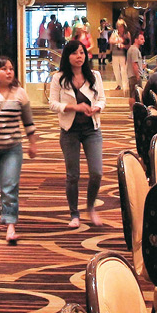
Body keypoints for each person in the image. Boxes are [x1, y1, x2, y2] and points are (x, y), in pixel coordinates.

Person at [49, 40, 106, 228]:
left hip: (92, 129)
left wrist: (96, 107)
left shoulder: (94, 75)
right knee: (73, 175)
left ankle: (91, 207)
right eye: (75, 53)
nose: (79, 56)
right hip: (69, 131)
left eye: (82, 52)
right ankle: (74, 213)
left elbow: (103, 100)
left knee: (96, 173)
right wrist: (74, 107)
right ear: (68, 56)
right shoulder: (59, 78)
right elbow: (52, 104)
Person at [0, 57, 38, 245]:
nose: (9, 72)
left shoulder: (20, 94)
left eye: (11, 69)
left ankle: (10, 226)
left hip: (12, 148)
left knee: (9, 186)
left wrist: (32, 143)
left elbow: (28, 121)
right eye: (4, 69)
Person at [109, 19, 130, 94]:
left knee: (123, 71)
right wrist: (118, 41)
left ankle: (125, 86)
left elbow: (129, 45)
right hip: (115, 54)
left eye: (121, 27)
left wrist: (123, 45)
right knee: (116, 70)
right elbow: (111, 41)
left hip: (123, 54)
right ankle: (119, 84)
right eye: (118, 26)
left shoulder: (127, 34)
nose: (120, 28)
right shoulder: (114, 33)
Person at [126, 30, 145, 107]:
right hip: (134, 76)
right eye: (141, 39)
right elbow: (134, 64)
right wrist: (137, 76)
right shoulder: (134, 50)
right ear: (136, 40)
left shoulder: (132, 49)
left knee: (133, 94)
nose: (143, 40)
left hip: (133, 75)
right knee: (134, 95)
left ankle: (132, 112)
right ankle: (133, 111)